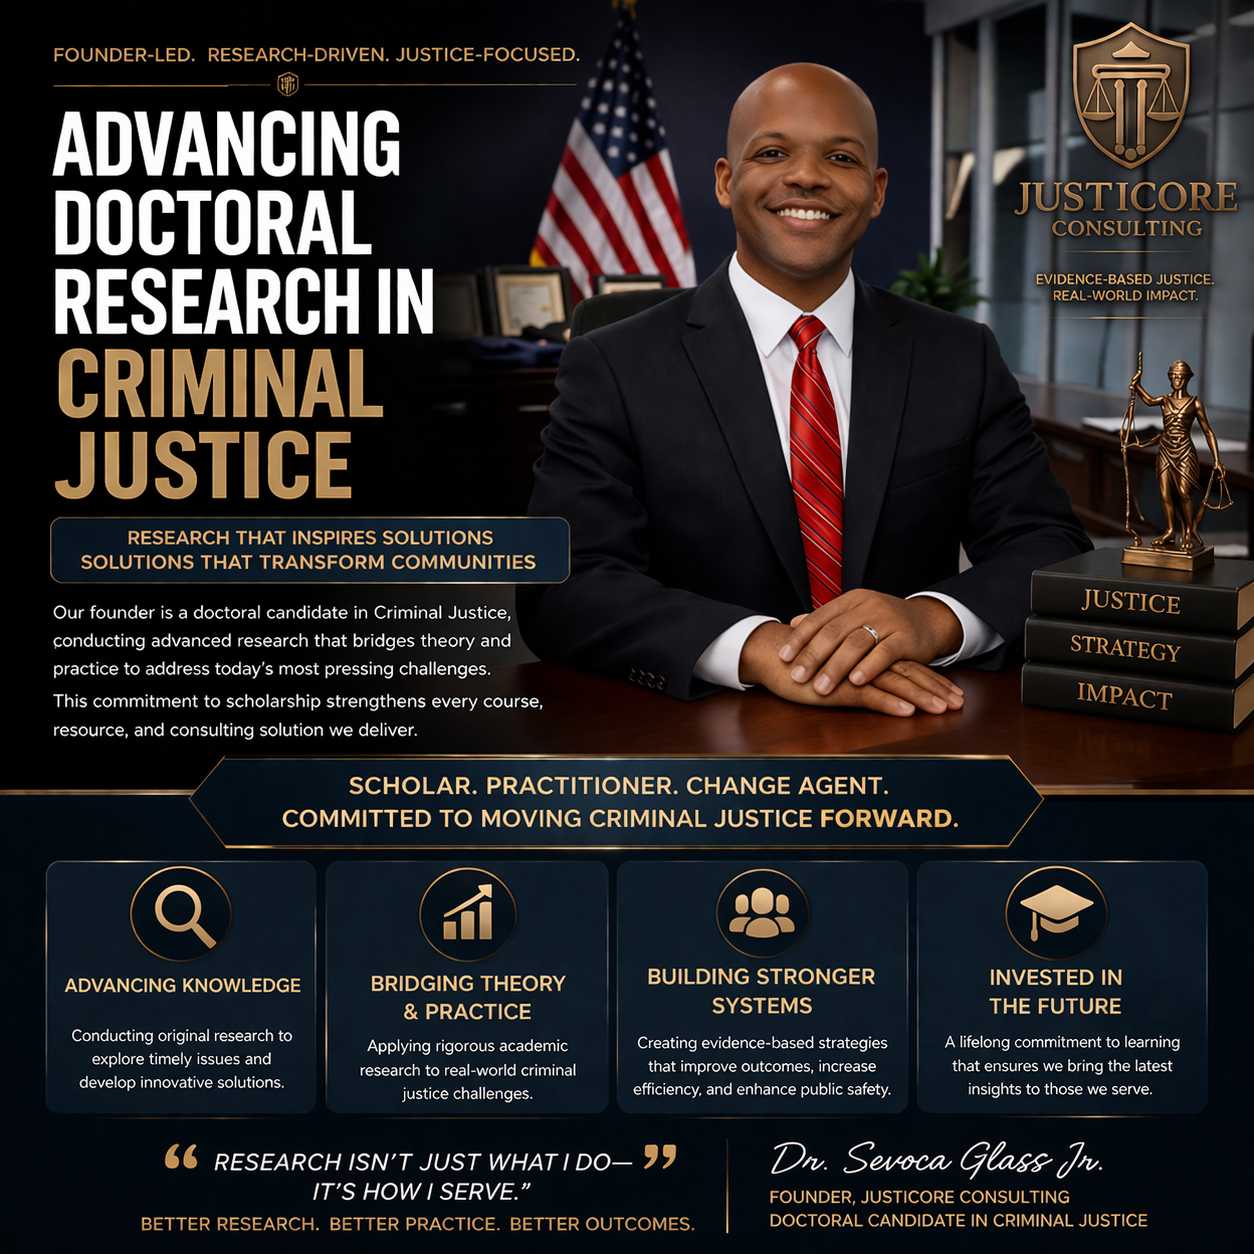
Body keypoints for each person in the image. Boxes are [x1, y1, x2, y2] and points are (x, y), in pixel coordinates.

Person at [517, 63, 1090, 715]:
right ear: (727, 182)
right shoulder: (613, 364)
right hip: (697, 745)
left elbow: (1049, 548)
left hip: (915, 730)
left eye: (840, 156)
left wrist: (932, 621)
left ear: (875, 192)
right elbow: (562, 583)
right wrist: (759, 647)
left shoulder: (961, 356)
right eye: (772, 152)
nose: (807, 176)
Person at [1128, 359, 1226, 552]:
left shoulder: (1195, 403)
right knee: (1165, 493)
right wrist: (1137, 385)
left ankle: (1188, 532)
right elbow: (1149, 401)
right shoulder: (1164, 400)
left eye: (1180, 376)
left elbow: (1208, 431)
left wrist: (1217, 460)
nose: (1176, 379)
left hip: (1184, 452)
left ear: (1187, 378)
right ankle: (1171, 530)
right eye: (1172, 376)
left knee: (1183, 492)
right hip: (1165, 449)